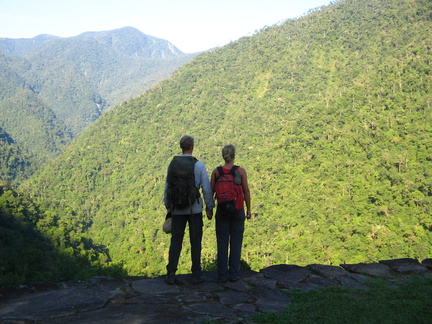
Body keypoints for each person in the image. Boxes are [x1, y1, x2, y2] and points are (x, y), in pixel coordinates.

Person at [164, 135, 214, 284]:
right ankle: (196, 273)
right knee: (195, 240)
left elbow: (168, 186)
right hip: (195, 209)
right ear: (192, 147)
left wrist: (168, 206)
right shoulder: (199, 165)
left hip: (177, 209)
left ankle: (171, 273)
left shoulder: (172, 164)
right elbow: (206, 188)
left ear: (181, 147)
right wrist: (209, 207)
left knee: (176, 241)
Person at [210, 144, 251, 282]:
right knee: (236, 242)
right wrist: (249, 209)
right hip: (237, 210)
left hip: (221, 211)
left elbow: (211, 192)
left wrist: (209, 209)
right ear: (234, 156)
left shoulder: (216, 172)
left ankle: (221, 275)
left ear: (223, 156)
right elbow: (246, 191)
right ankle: (234, 274)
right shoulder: (241, 171)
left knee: (222, 242)